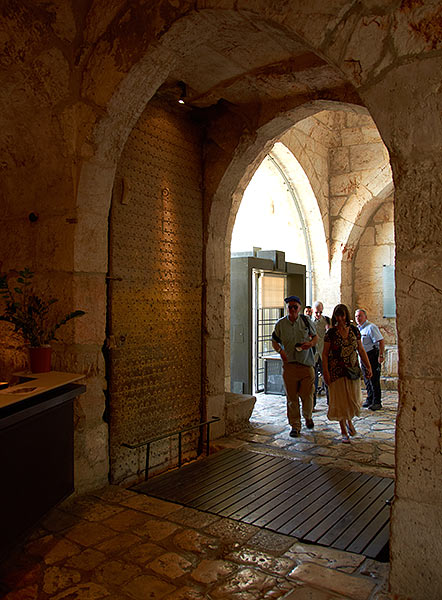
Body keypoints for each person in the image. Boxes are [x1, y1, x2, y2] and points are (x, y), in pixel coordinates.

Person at [322, 304, 372, 443]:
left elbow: (361, 349)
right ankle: (343, 429)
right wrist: (325, 372)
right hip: (336, 372)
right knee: (340, 401)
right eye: (337, 315)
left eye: (342, 315)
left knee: (351, 400)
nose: (340, 318)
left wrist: (368, 366)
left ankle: (349, 422)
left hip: (352, 370)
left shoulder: (354, 331)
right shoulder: (330, 334)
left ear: (346, 315)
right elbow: (325, 354)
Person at [272, 295, 318, 438]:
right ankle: (295, 426)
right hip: (290, 366)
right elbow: (274, 341)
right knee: (292, 399)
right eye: (289, 307)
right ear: (286, 308)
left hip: (306, 365)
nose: (292, 309)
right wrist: (281, 352)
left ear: (299, 308)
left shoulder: (306, 321)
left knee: (307, 395)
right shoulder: (280, 324)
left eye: (295, 307)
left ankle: (308, 416)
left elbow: (315, 337)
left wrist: (310, 344)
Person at [355, 308, 385, 411]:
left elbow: (380, 341)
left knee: (374, 379)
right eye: (356, 316)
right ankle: (370, 398)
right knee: (367, 379)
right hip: (363, 357)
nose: (358, 318)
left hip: (372, 355)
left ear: (365, 317)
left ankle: (377, 401)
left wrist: (381, 355)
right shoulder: (358, 329)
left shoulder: (371, 327)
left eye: (360, 316)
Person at [311, 300, 329, 407]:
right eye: (317, 312)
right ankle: (312, 404)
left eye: (320, 312)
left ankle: (330, 402)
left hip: (323, 354)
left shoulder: (326, 321)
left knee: (326, 378)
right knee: (313, 381)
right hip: (313, 355)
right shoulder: (309, 322)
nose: (318, 315)